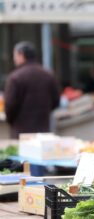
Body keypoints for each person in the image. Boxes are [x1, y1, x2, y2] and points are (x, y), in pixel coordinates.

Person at [4, 41, 60, 175]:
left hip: (21, 131)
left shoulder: (15, 77)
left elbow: (10, 106)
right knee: (39, 169)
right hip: (42, 129)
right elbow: (56, 102)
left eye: (15, 55)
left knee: (22, 170)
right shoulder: (48, 75)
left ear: (21, 55)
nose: (14, 59)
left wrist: (11, 120)